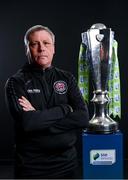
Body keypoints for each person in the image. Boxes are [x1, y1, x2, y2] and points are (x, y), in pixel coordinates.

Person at [5, 25, 89, 179]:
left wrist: (39, 118)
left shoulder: (67, 78)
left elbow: (83, 118)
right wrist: (65, 109)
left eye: (46, 43)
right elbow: (28, 123)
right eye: (34, 43)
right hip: (31, 168)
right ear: (27, 49)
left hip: (67, 165)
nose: (41, 48)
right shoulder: (16, 82)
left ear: (53, 48)